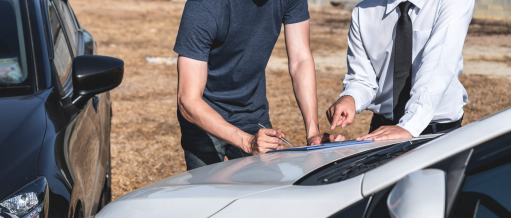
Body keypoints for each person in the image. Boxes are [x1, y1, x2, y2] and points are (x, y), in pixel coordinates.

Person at [174, 0, 338, 170]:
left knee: (267, 192)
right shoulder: (204, 5)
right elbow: (188, 100)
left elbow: (300, 61)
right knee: (207, 193)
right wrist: (247, 142)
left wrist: (313, 134)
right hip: (204, 117)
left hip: (252, 113)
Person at [326, 0, 475, 141]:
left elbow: (437, 67)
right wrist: (351, 97)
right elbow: (362, 79)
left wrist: (409, 126)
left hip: (438, 134)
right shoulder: (363, 12)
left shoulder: (453, 2)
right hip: (384, 132)